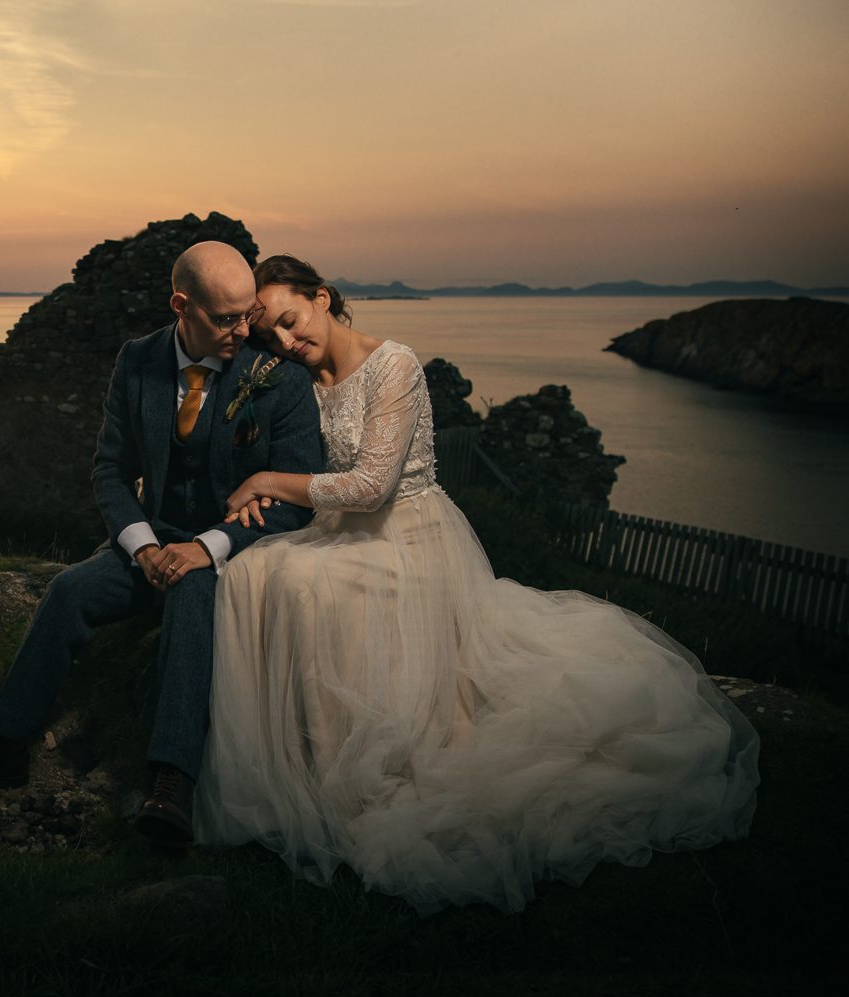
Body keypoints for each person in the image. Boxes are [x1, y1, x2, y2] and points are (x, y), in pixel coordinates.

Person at [195, 253, 760, 914]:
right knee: (256, 572)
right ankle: (299, 774)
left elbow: (372, 487)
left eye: (290, 321)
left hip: (405, 534)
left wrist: (267, 483)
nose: (287, 342)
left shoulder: (393, 365)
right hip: (337, 532)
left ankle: (356, 782)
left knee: (303, 582)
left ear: (322, 296)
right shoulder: (295, 381)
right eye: (273, 337)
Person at [0, 241, 325, 844]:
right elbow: (109, 470)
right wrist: (142, 546)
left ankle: (171, 783)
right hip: (151, 544)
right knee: (69, 590)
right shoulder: (137, 361)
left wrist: (205, 547)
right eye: (225, 317)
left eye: (248, 313)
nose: (244, 328)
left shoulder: (277, 378)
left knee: (192, 595)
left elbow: (290, 498)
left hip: (229, 552)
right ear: (181, 305)